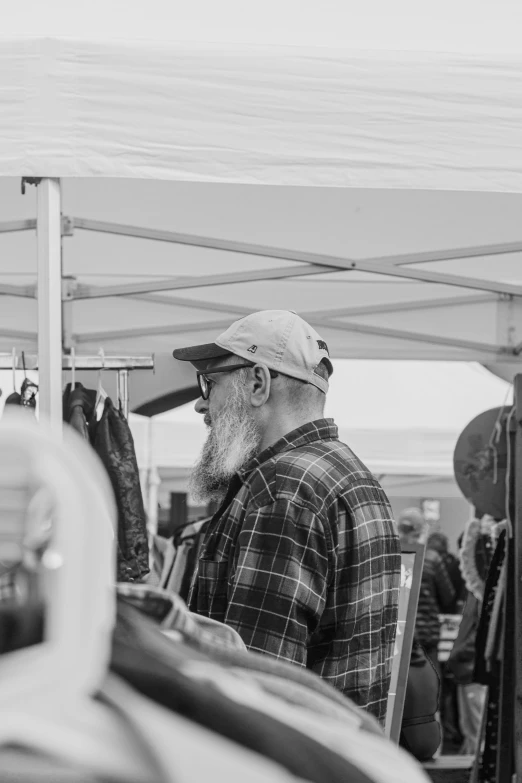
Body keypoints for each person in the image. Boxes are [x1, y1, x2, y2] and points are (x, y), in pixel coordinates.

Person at [173, 310, 401, 724]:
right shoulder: (349, 471)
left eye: (211, 382)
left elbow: (257, 693)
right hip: (340, 754)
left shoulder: (282, 488)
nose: (200, 403)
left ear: (258, 383)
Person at [397, 508, 456, 675]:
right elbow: (448, 597)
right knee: (430, 684)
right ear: (422, 530)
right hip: (427, 635)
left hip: (397, 634)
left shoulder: (390, 555)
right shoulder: (431, 558)